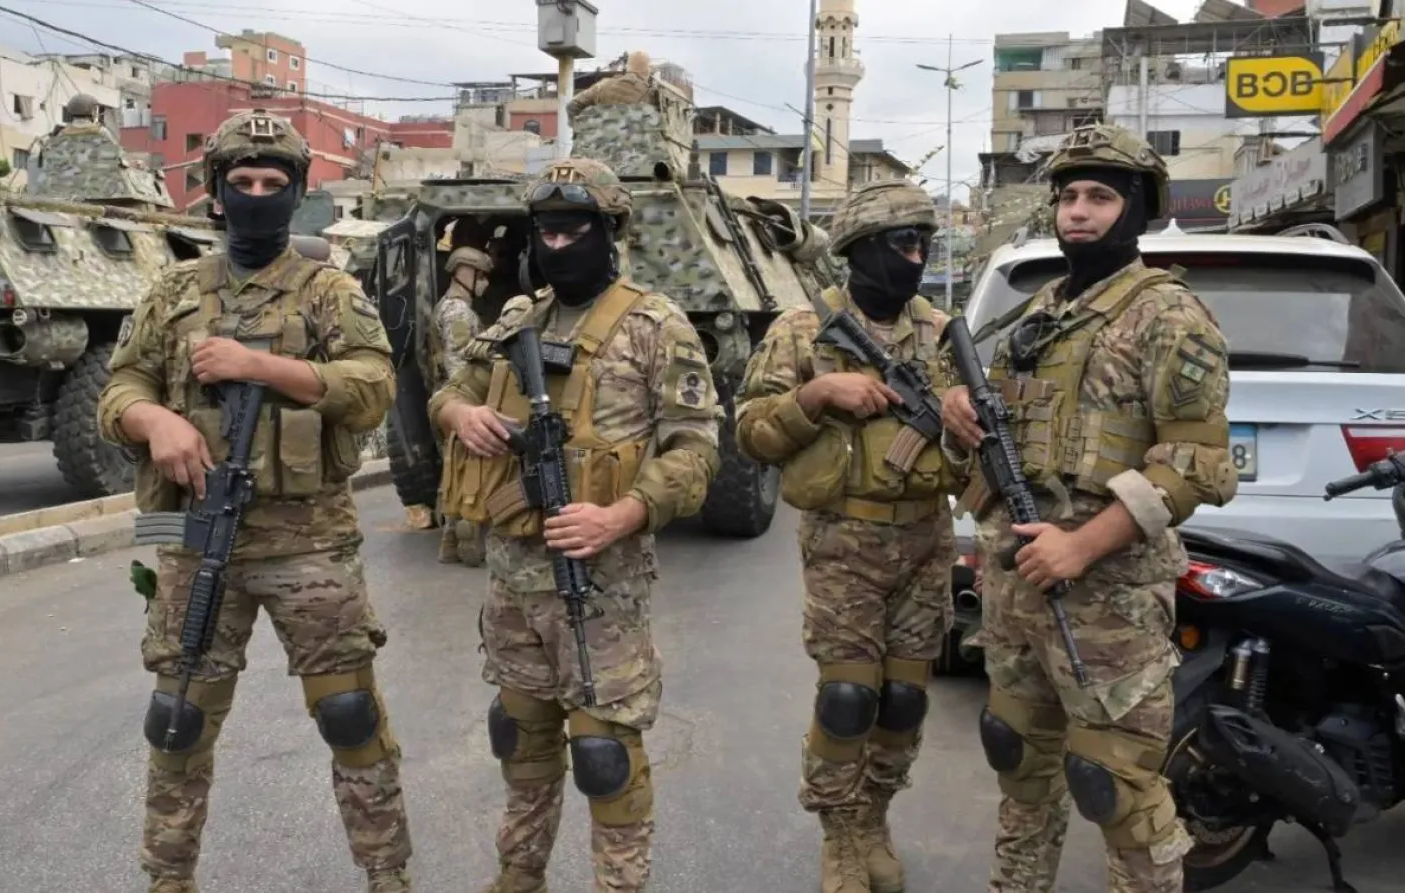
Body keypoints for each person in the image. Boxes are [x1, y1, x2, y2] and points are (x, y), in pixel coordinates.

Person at [96, 109, 415, 893]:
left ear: (298, 194)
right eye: (243, 183)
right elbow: (120, 384)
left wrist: (264, 367)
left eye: (275, 184)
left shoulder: (328, 291)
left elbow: (375, 386)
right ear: (216, 193)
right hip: (194, 534)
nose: (258, 196)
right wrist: (153, 417)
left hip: (309, 540)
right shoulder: (173, 290)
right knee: (178, 719)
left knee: (350, 716)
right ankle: (168, 880)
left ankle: (388, 876)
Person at [938, 123, 1238, 893]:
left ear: (1137, 210)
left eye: (1100, 197)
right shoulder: (1034, 315)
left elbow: (1198, 466)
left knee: (1119, 787)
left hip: (1106, 596)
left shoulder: (1168, 315)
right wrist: (956, 406)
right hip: (1015, 586)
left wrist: (1083, 543)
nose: (1078, 211)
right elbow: (989, 410)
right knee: (1019, 759)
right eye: (1068, 196)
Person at [429, 157, 721, 893]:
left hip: (602, 583)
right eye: (546, 230)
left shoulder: (657, 324)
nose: (557, 244)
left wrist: (623, 512)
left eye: (574, 229)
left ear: (609, 232)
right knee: (520, 742)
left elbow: (697, 447)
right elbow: (448, 393)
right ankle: (517, 876)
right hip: (512, 583)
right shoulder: (516, 318)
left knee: (605, 757)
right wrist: (463, 415)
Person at [733, 179, 960, 893]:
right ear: (860, 250)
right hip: (843, 543)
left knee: (904, 698)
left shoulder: (943, 332)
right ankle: (839, 834)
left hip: (926, 538)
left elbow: (982, 431)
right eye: (901, 242)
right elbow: (749, 434)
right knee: (848, 697)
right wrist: (815, 395)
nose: (915, 255)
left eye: (923, 242)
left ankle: (875, 817)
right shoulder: (803, 330)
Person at [430, 244, 495, 566]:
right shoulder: (458, 312)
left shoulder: (449, 307)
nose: (484, 283)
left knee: (453, 471)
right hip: (459, 403)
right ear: (465, 273)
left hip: (450, 401)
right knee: (468, 472)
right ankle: (468, 541)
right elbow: (460, 365)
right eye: (481, 275)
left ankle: (450, 543)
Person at [566, 50, 655, 117]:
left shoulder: (603, 85)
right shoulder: (651, 95)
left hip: (601, 141)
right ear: (647, 70)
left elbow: (572, 106)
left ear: (628, 67)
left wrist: (582, 129)